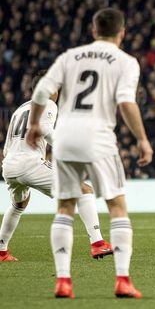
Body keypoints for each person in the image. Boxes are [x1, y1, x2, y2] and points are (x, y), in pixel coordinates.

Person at [26, 8, 153, 299]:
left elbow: (40, 92)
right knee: (117, 206)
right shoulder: (126, 61)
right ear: (122, 33)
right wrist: (143, 139)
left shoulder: (70, 56)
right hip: (99, 137)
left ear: (94, 31)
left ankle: (63, 282)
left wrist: (34, 124)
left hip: (67, 138)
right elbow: (126, 103)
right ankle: (122, 280)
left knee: (65, 208)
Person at [1, 70, 112, 262]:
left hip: (9, 165)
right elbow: (44, 129)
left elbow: (6, 147)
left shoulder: (20, 109)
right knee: (84, 190)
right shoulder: (48, 103)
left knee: (19, 204)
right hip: (29, 163)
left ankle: (1, 251)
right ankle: (98, 244)